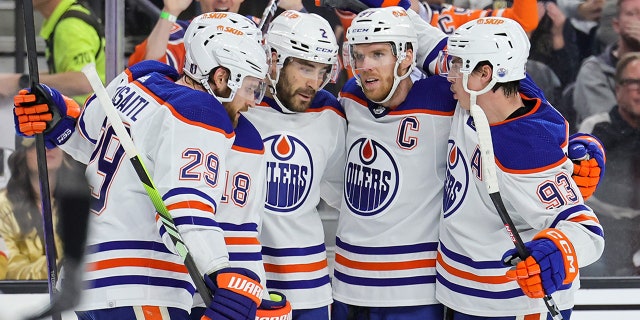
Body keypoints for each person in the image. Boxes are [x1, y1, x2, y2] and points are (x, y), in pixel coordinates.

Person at [13, 21, 269, 319]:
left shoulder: (142, 78)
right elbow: (187, 204)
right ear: (221, 77)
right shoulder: (201, 112)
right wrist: (221, 275)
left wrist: (54, 118)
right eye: (251, 87)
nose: (253, 102)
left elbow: (89, 140)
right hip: (143, 284)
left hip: (87, 285)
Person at [437, 17, 604, 318]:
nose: (448, 74)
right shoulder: (488, 96)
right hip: (467, 292)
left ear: (485, 74)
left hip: (514, 303)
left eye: (458, 65)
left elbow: (586, 229)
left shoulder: (525, 146)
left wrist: (556, 250)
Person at [242, 10, 345, 320]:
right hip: (243, 280)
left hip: (309, 284)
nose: (314, 82)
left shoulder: (330, 113)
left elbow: (338, 189)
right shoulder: (239, 105)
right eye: (304, 67)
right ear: (273, 58)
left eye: (322, 71)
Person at [578, 52, 640, 276]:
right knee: (593, 268)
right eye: (634, 83)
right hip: (606, 226)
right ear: (617, 90)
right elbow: (586, 189)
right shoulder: (596, 128)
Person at [127, 0, 305, 74]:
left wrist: (299, 9)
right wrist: (169, 12)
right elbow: (144, 74)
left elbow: (316, 64)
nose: (222, 0)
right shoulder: (179, 34)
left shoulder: (263, 32)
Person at [0, 0, 105, 105]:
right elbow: (65, 73)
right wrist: (14, 80)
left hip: (91, 116)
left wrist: (22, 82)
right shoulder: (69, 16)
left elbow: (83, 81)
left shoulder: (69, 25)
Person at [0, 136, 64, 280]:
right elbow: (8, 268)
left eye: (55, 141)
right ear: (22, 154)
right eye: (37, 143)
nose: (48, 147)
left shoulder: (79, 201)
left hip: (76, 296)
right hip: (20, 299)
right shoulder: (3, 206)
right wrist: (62, 267)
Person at [573, 0, 640, 127]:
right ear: (616, 25)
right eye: (631, 14)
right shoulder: (594, 70)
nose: (638, 21)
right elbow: (608, 125)